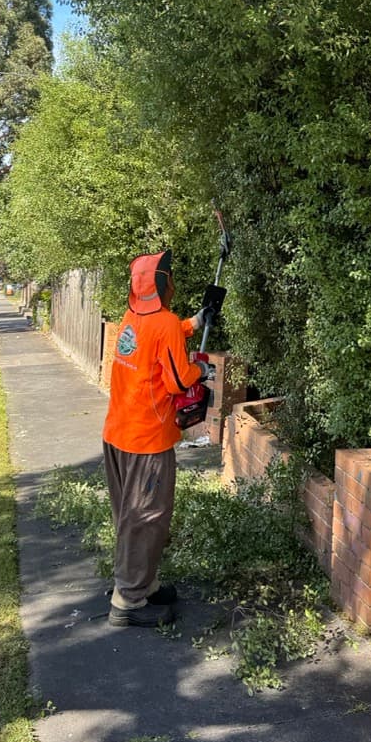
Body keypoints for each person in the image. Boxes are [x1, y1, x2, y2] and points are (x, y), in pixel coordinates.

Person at [102, 249, 215, 628]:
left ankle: (141, 583)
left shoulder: (133, 317)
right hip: (147, 442)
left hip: (118, 434)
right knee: (146, 517)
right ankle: (129, 600)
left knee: (128, 516)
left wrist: (194, 323)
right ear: (165, 284)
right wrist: (201, 368)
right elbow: (178, 380)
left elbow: (157, 339)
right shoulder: (163, 322)